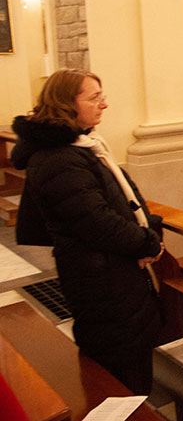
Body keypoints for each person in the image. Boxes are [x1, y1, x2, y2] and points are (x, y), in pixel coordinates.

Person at [11, 69, 164, 395]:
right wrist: (146, 241)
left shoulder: (82, 146)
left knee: (133, 363)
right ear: (66, 103)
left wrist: (150, 228)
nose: (104, 104)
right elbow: (96, 221)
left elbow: (124, 197)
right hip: (100, 280)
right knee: (119, 373)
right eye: (94, 98)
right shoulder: (57, 159)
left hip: (112, 274)